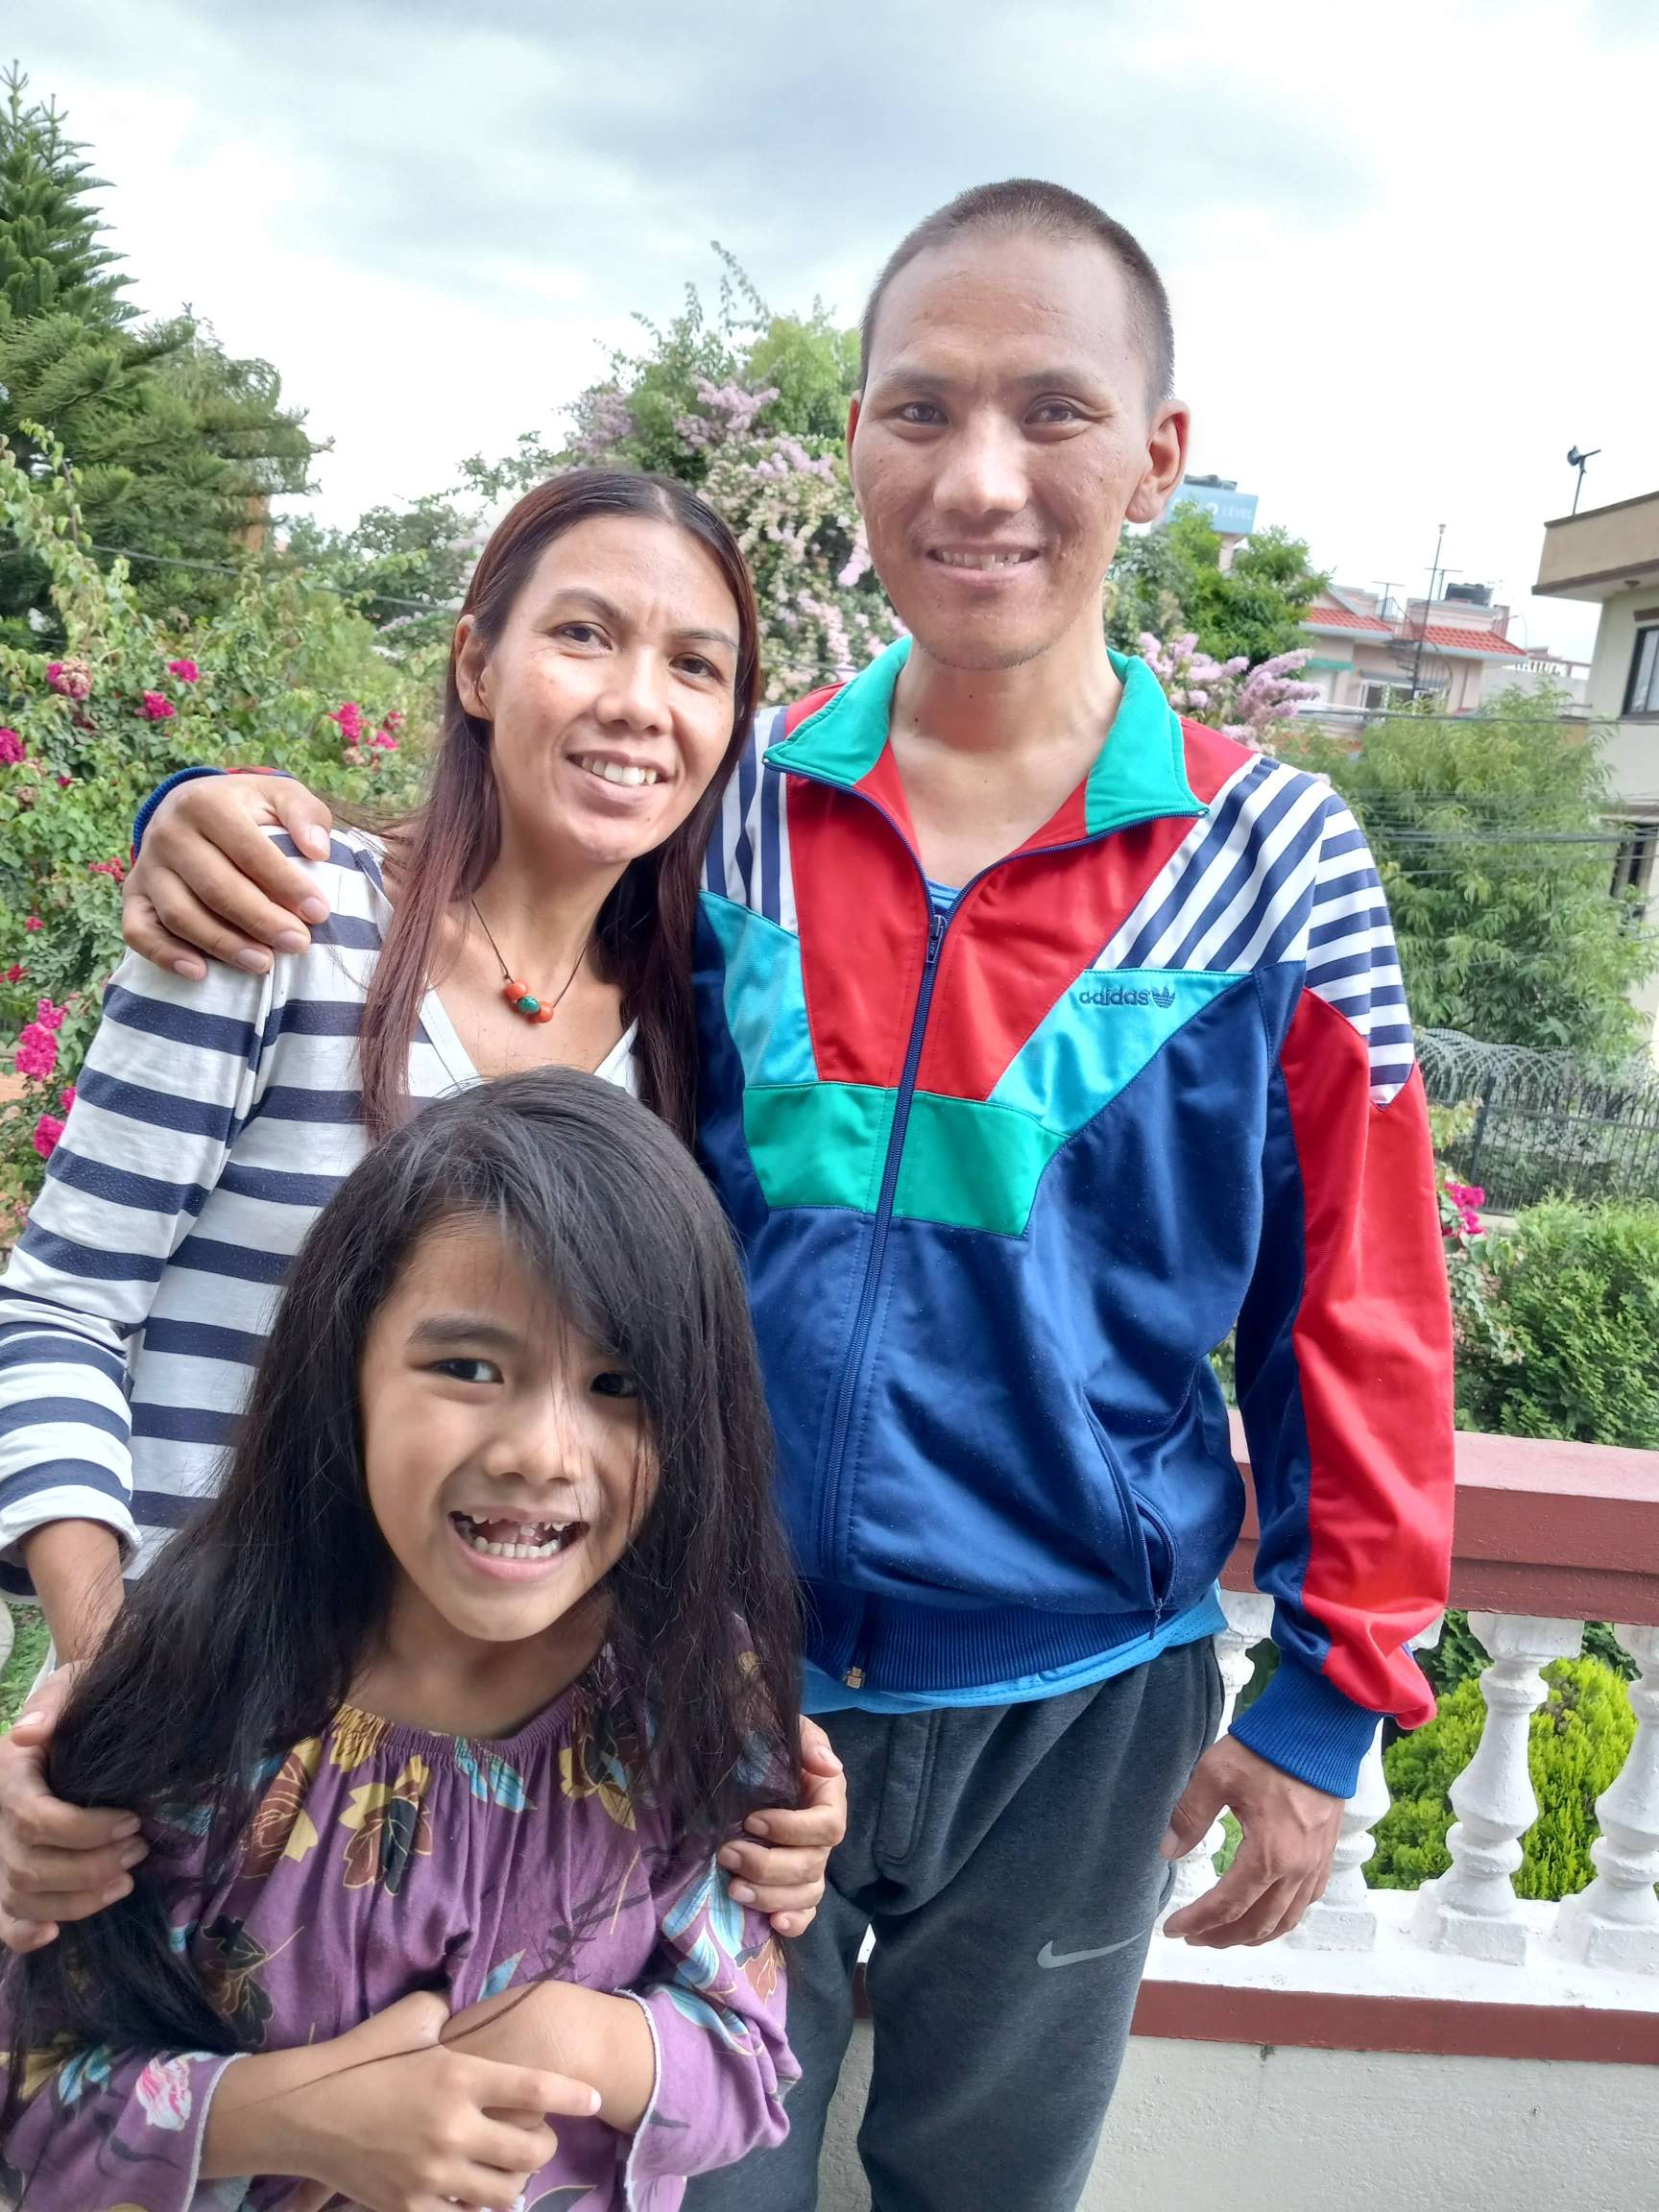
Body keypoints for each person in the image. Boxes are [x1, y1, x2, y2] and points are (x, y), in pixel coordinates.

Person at [7, 180, 1456, 2210]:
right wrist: (197, 816)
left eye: (1053, 412)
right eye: (919, 410)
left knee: (989, 2185)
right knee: (681, 2170)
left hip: (1078, 1696)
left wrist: (1330, 1699)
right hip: (697, 1684)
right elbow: (501, 932)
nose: (979, 477)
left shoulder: (1277, 857)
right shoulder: (739, 805)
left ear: (1161, 453)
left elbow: (1361, 1308)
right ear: (852, 440)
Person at [0, 468, 841, 1949]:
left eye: (696, 666)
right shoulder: (285, 924)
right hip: (195, 1756)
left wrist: (746, 1739)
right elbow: (64, 1301)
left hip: (477, 1807)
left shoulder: (691, 1045)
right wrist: (112, 1644)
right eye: (584, 635)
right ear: (476, 664)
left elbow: (645, 1429)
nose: (641, 702)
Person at [0, 1068, 804, 2208]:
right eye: (469, 1368)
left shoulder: (690, 1687)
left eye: (619, 1384)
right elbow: (33, 2088)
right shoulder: (192, 1684)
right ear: (348, 1371)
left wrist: (578, 2044)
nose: (543, 1450)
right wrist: (296, 2117)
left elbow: (751, 2067)